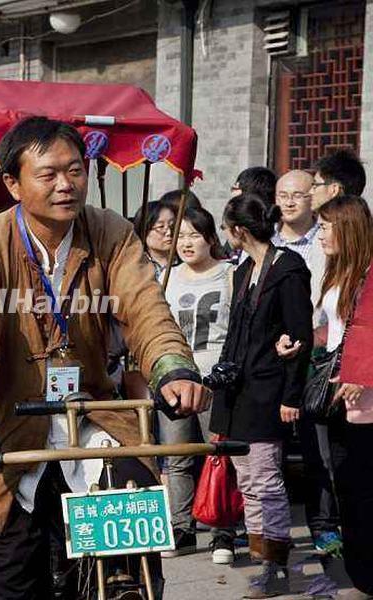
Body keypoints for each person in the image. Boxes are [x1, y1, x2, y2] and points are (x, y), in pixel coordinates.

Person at [0, 116, 211, 600]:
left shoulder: (111, 231)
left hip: (96, 416)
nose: (66, 185)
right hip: (14, 427)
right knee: (12, 569)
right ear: (13, 184)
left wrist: (172, 367)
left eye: (75, 170)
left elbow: (145, 308)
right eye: (48, 174)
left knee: (133, 551)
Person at [211, 193, 313, 598]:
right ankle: (262, 557)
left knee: (265, 479)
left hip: (269, 391)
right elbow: (235, 336)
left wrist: (292, 396)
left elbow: (299, 337)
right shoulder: (242, 272)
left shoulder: (288, 269)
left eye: (227, 229)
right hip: (236, 392)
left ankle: (274, 563)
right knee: (247, 479)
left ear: (238, 230)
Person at [160, 207, 236, 563]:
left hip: (215, 380)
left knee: (218, 455)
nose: (187, 243)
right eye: (181, 237)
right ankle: (182, 528)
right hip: (174, 381)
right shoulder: (166, 278)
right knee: (177, 457)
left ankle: (223, 533)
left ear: (210, 238)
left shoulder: (230, 276)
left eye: (194, 235)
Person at [272, 170, 341, 557]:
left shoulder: (328, 242)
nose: (290, 201)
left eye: (298, 193)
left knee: (319, 449)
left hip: (317, 356)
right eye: (283, 194)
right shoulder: (268, 241)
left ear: (312, 197)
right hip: (275, 356)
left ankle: (324, 526)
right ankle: (274, 532)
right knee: (270, 450)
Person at [314, 195, 373, 599]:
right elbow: (331, 331)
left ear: (347, 228)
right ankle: (361, 574)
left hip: (364, 397)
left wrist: (357, 372)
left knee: (364, 487)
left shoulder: (369, 273)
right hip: (338, 393)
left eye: (325, 227)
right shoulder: (336, 273)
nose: (319, 235)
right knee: (348, 487)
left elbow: (368, 330)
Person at [133, 200, 176, 281]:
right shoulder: (137, 263)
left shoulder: (185, 261)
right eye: (161, 227)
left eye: (172, 225)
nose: (169, 233)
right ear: (144, 230)